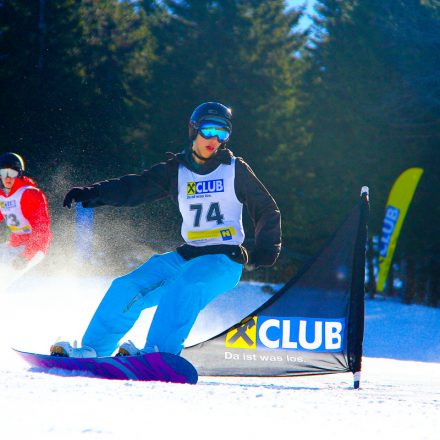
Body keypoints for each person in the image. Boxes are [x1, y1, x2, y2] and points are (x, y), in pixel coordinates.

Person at [51, 102, 281, 358]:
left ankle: (159, 353)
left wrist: (265, 250)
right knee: (126, 287)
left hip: (224, 260)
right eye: (208, 130)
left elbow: (266, 209)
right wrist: (94, 193)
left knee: (185, 286)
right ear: (193, 130)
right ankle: (93, 351)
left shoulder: (234, 169)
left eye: (222, 133)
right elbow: (135, 187)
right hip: (186, 256)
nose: (214, 139)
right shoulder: (176, 171)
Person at [0, 152, 52, 288]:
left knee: (3, 277)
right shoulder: (2, 196)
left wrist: (26, 256)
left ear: (19, 173)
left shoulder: (30, 194)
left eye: (11, 173)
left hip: (34, 248)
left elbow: (42, 229)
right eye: (3, 172)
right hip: (14, 246)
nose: (7, 177)